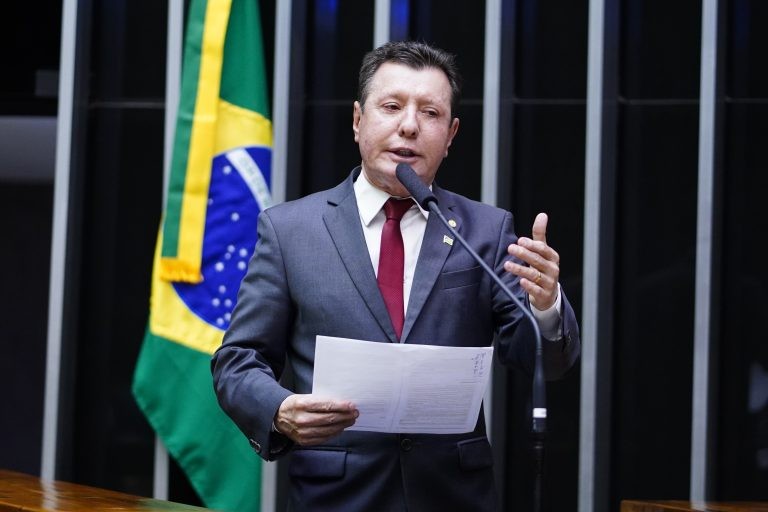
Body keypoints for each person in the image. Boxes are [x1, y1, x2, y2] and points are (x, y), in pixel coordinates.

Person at [211, 40, 580, 511]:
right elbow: (237, 360)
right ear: (357, 119)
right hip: (335, 495)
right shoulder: (290, 231)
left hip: (453, 497)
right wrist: (279, 410)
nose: (409, 125)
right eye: (391, 106)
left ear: (451, 135)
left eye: (430, 113)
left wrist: (545, 307)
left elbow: (542, 363)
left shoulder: (485, 231)